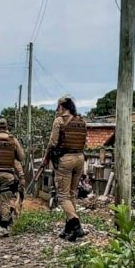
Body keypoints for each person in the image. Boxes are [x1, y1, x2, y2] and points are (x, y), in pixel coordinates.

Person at [44, 96, 87, 241]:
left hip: (65, 160)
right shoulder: (81, 121)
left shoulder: (59, 121)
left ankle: (76, 225)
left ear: (62, 107)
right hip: (80, 158)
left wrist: (46, 157)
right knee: (72, 194)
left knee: (62, 196)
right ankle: (69, 229)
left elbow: (53, 143)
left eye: (58, 108)